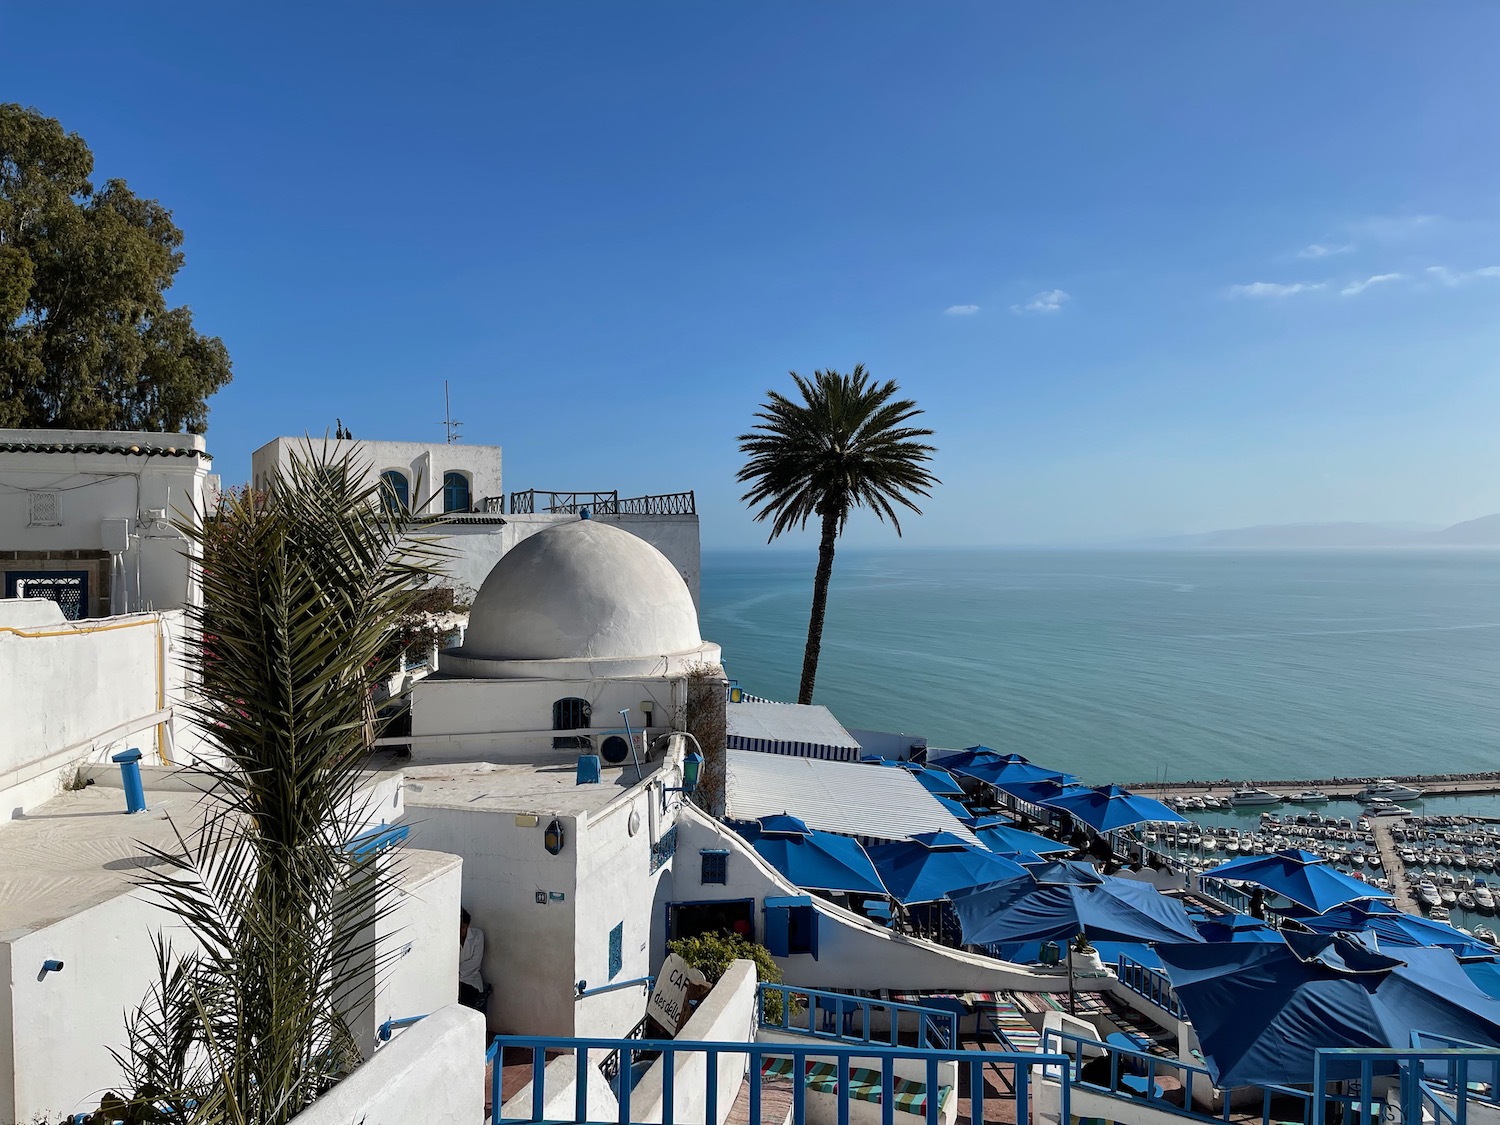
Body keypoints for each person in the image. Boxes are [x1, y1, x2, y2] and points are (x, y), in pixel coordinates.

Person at [459, 907, 486, 1010]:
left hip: (471, 981)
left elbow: (475, 962)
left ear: (467, 925)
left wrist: (456, 971)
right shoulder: (449, 938)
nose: (460, 930)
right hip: (454, 982)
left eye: (463, 927)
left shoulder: (477, 935)